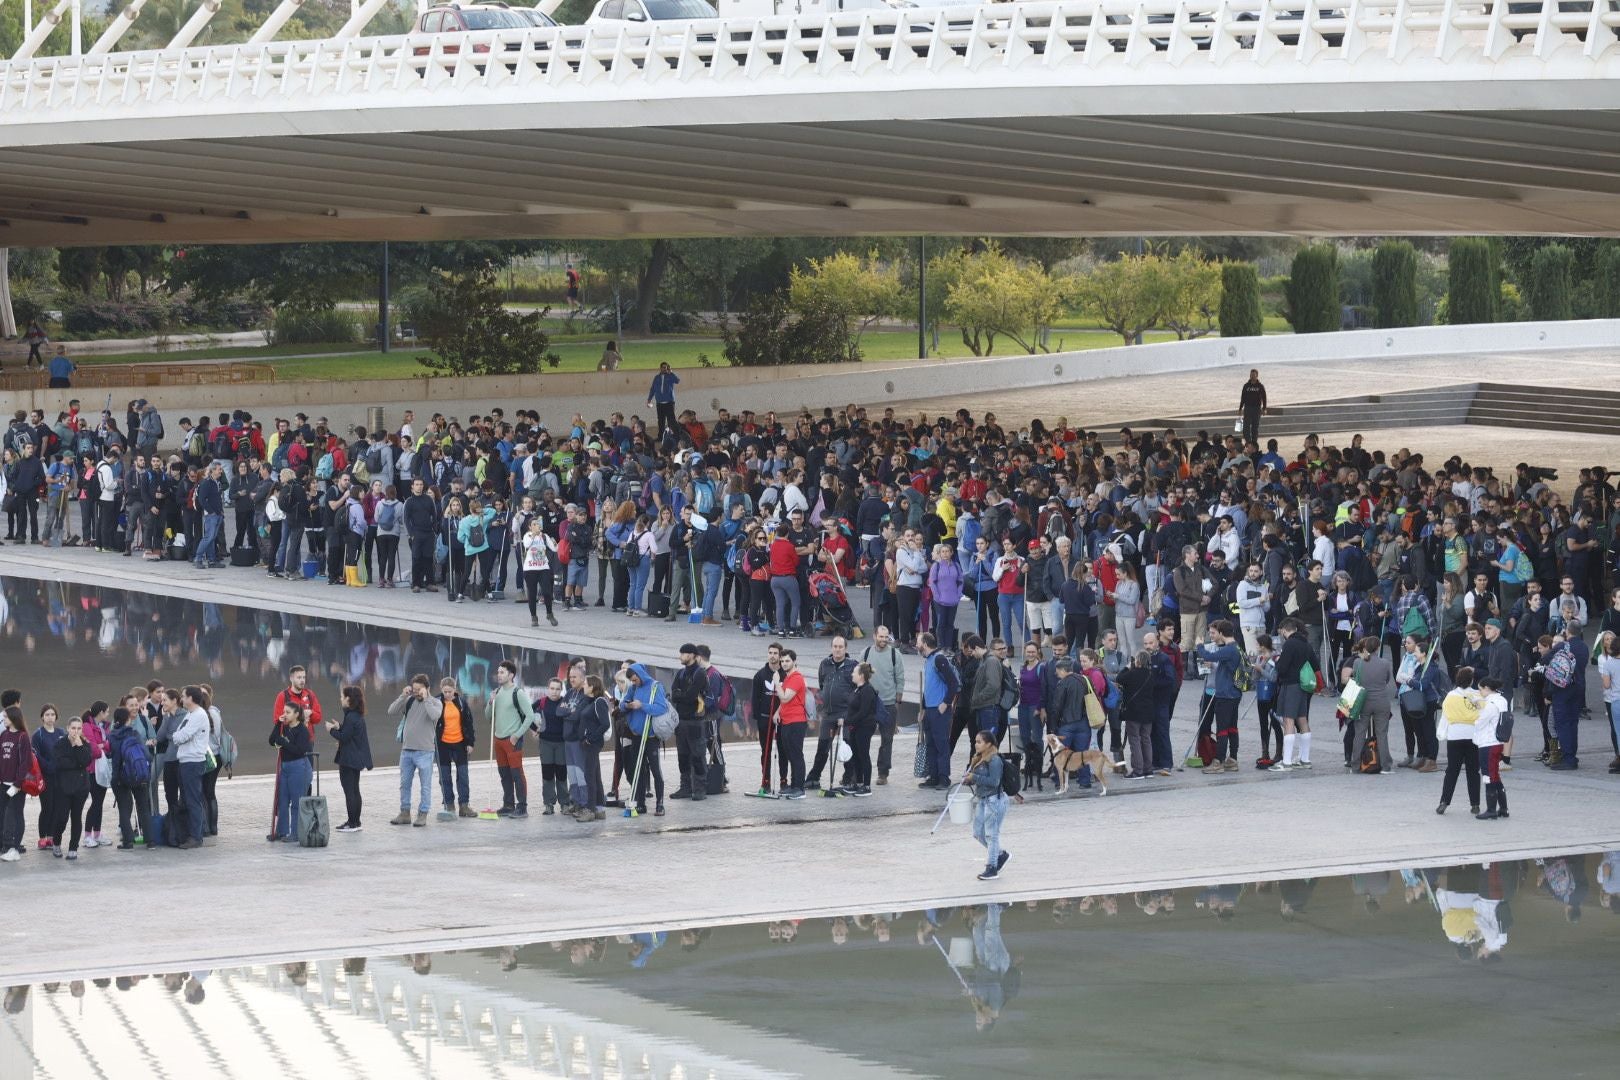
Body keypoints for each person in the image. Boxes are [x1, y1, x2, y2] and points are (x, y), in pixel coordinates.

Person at [388, 675, 443, 828]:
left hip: (425, 752)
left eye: (420, 690)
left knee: (425, 785)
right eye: (415, 689)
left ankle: (423, 814)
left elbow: (435, 715)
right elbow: (391, 711)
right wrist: (402, 696)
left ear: (427, 689)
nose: (417, 692)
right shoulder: (410, 700)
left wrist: (425, 699)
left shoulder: (436, 702)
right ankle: (405, 813)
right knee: (404, 784)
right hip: (406, 751)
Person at [489, 660, 538, 818]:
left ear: (511, 675)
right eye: (498, 672)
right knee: (504, 774)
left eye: (502, 672)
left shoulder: (518, 693)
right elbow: (488, 717)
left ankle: (522, 807)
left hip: (512, 740)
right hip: (498, 739)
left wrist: (517, 735)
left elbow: (530, 716)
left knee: (517, 773)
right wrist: (490, 702)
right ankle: (508, 805)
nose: (499, 675)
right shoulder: (497, 692)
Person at [807, 637, 857, 793]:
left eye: (840, 647)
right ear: (831, 648)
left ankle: (850, 778)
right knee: (822, 747)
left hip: (845, 714)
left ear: (845, 648)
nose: (837, 649)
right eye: (835, 646)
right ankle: (814, 778)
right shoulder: (824, 664)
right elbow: (822, 684)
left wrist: (849, 711)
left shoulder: (853, 665)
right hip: (828, 714)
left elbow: (857, 690)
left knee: (847, 747)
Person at [1195, 620, 1244, 771]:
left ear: (1221, 633)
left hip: (1225, 694)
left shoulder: (1229, 649)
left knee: (1222, 728)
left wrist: (1199, 645)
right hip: (1235, 693)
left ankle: (1218, 761)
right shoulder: (1237, 648)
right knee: (1232, 727)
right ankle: (1232, 759)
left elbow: (1207, 656)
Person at [860, 625, 905, 784]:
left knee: (887, 739)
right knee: (862, 738)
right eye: (881, 637)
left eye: (886, 637)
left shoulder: (895, 654)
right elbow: (859, 677)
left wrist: (897, 701)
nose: (884, 640)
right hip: (868, 704)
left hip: (888, 704)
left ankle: (883, 773)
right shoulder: (865, 653)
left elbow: (900, 678)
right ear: (874, 636)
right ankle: (858, 772)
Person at [1343, 636, 1393, 775]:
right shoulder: (1384, 663)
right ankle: (1385, 766)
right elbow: (1388, 679)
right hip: (1381, 701)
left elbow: (1356, 679)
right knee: (1381, 733)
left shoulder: (1358, 662)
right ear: (1378, 648)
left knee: (1359, 733)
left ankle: (1356, 766)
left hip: (1363, 700)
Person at [1437, 666, 1483, 815]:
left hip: (1455, 736)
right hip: (1473, 736)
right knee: (1473, 772)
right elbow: (1483, 714)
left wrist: (1441, 734)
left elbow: (1445, 717)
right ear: (1471, 681)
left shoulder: (1450, 696)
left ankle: (1444, 801)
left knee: (1452, 771)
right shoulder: (1477, 695)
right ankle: (1475, 804)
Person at [965, 730, 1010, 881]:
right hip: (982, 799)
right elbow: (979, 779)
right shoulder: (979, 758)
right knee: (978, 833)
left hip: (994, 800)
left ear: (988, 744)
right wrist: (969, 779)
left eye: (979, 742)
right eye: (975, 741)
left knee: (992, 835)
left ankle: (992, 868)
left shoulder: (995, 760)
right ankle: (1000, 854)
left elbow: (994, 782)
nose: (976, 744)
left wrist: (975, 777)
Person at [105, 707, 152, 852]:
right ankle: (150, 841)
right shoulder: (135, 733)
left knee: (124, 810)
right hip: (138, 775)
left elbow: (109, 755)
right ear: (128, 719)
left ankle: (128, 841)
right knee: (144, 808)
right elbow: (146, 756)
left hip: (120, 777)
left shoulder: (111, 736)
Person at [328, 686, 373, 833]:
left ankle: (352, 823)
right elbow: (350, 732)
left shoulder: (351, 716)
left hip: (349, 759)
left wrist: (331, 730)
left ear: (348, 699)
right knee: (355, 790)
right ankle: (356, 821)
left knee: (350, 791)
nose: (341, 699)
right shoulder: (356, 715)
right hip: (356, 758)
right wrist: (340, 726)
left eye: (342, 697)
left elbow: (344, 737)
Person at [918, 631, 960, 790]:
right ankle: (933, 775)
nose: (916, 645)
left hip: (939, 709)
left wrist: (946, 702)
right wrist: (922, 708)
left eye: (918, 642)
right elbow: (927, 688)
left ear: (925, 644)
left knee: (941, 744)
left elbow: (953, 683)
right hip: (929, 709)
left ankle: (944, 777)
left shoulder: (939, 659)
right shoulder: (928, 660)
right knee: (930, 744)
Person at [669, 644, 710, 802]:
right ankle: (685, 787)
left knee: (698, 756)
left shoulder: (700, 673)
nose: (680, 656)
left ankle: (700, 789)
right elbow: (674, 695)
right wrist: (683, 696)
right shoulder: (680, 673)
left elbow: (690, 696)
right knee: (683, 756)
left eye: (683, 654)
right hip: (681, 721)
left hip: (695, 721)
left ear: (692, 655)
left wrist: (683, 696)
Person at [172, 686, 212, 849]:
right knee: (188, 798)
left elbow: (182, 736)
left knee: (193, 799)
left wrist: (177, 736)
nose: (181, 699)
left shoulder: (199, 715)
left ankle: (196, 836)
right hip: (185, 760)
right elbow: (178, 733)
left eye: (183, 696)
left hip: (193, 762)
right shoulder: (190, 714)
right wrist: (178, 736)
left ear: (190, 698)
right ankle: (190, 833)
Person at [268, 699, 312, 843]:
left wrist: (284, 743)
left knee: (296, 801)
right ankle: (281, 831)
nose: (284, 714)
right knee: (282, 800)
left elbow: (299, 750)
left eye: (287, 712)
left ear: (296, 714)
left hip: (298, 767)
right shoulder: (284, 727)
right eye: (284, 712)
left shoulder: (303, 731)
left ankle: (295, 833)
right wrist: (278, 723)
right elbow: (272, 740)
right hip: (285, 767)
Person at [436, 677, 477, 819]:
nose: (447, 694)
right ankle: (449, 805)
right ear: (441, 689)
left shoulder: (461, 703)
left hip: (459, 744)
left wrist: (470, 743)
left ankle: (464, 806)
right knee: (445, 777)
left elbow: (469, 724)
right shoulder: (436, 702)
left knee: (463, 776)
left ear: (455, 690)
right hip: (442, 745)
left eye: (449, 691)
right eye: (444, 691)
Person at [774, 649, 810, 799]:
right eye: (782, 661)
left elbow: (785, 698)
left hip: (796, 721)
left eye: (787, 661)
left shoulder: (796, 677)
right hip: (787, 720)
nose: (783, 664)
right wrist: (778, 712)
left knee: (796, 755)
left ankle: (799, 787)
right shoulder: (788, 677)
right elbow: (784, 702)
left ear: (794, 661)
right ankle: (794, 785)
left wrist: (776, 683)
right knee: (790, 754)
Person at [1474, 676, 1511, 820]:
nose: (1480, 692)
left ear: (1487, 688)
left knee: (1488, 775)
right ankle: (1503, 808)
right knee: (1495, 774)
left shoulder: (1490, 704)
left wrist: (1477, 710)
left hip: (1488, 743)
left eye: (1480, 689)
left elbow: (1479, 723)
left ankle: (1491, 809)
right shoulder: (1502, 700)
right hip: (1498, 742)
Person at [842, 663, 879, 796]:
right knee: (856, 755)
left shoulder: (867, 690)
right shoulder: (857, 689)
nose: (852, 674)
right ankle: (858, 782)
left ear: (861, 676)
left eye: (854, 672)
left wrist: (847, 721)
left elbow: (863, 712)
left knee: (863, 755)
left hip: (864, 727)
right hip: (855, 726)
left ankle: (867, 786)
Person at [0, 705, 31, 862]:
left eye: (5, 717)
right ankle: (4, 846)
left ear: (13, 718)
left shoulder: (22, 736)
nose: (3, 719)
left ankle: (14, 847)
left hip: (17, 785)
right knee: (3, 814)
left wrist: (18, 783)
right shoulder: (4, 735)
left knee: (13, 815)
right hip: (3, 783)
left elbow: (25, 762)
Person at [519, 514, 559, 627]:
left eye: (538, 524)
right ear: (530, 527)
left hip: (543, 567)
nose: (537, 526)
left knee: (547, 592)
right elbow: (526, 544)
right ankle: (534, 617)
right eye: (534, 524)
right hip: (530, 568)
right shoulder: (527, 535)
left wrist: (557, 543)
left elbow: (554, 548)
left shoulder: (544, 536)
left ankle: (549, 613)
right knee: (532, 594)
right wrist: (533, 535)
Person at [647, 362, 679, 438]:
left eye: (666, 367)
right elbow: (653, 389)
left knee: (671, 420)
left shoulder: (670, 376)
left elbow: (677, 381)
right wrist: (649, 399)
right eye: (663, 367)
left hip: (669, 402)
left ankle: (674, 436)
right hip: (659, 403)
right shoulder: (656, 377)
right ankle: (661, 436)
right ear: (660, 368)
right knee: (661, 421)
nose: (664, 369)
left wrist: (671, 373)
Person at [1239, 368, 1267, 444]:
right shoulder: (1246, 386)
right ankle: (1248, 443)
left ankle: (1254, 444)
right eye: (1251, 375)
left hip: (1257, 409)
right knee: (1245, 428)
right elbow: (1243, 397)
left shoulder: (1260, 386)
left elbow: (1264, 397)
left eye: (1254, 375)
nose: (1252, 376)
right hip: (1247, 408)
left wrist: (1264, 408)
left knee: (1255, 428)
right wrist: (1240, 408)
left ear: (1257, 376)